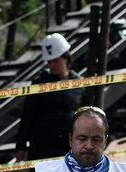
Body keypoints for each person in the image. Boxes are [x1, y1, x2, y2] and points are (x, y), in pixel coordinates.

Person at [15, 33, 85, 163]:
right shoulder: (40, 83)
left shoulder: (79, 84)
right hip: (41, 149)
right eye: (48, 62)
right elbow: (27, 116)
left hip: (68, 149)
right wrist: (21, 146)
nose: (51, 65)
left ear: (66, 58)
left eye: (55, 61)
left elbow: (87, 116)